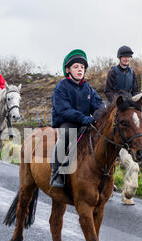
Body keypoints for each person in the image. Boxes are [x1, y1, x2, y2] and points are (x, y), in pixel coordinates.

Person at [50, 49, 106, 188]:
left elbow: (98, 105)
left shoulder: (88, 88)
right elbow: (64, 110)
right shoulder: (61, 87)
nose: (80, 70)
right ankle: (56, 172)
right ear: (68, 70)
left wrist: (100, 115)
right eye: (76, 67)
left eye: (82, 67)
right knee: (68, 134)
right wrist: (83, 118)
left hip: (84, 122)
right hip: (67, 122)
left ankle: (103, 174)